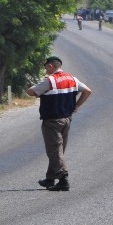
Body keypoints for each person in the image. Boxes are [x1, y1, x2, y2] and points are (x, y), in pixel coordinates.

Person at [26, 56, 93, 192]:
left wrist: (40, 85)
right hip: (66, 119)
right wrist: (76, 105)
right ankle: (50, 178)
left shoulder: (50, 80)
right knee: (58, 150)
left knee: (55, 150)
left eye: (46, 67)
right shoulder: (72, 79)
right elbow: (87, 91)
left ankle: (63, 179)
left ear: (50, 66)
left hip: (52, 121)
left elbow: (30, 92)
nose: (45, 70)